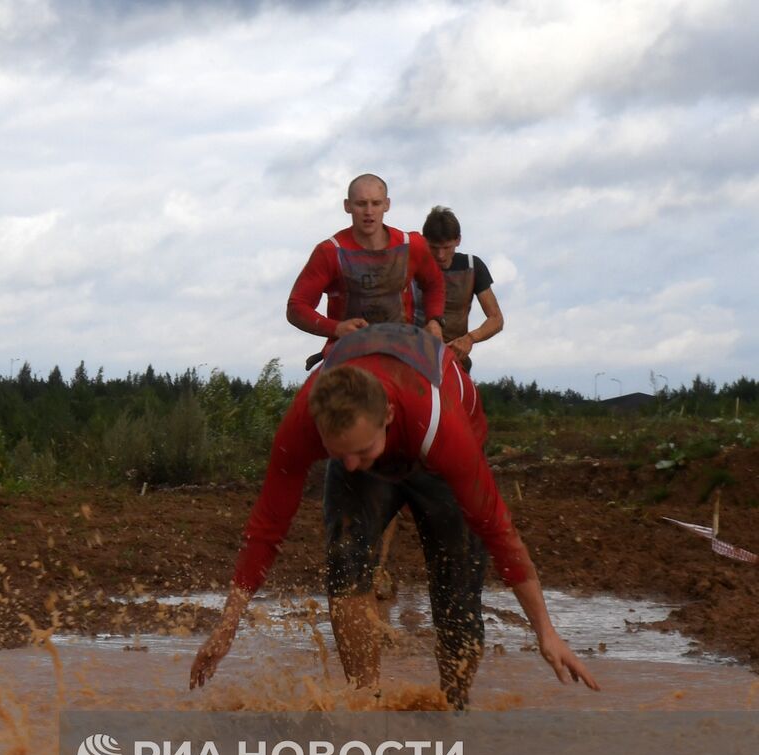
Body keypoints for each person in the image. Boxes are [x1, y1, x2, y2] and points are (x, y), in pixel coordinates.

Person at [188, 324, 598, 708]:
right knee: (345, 561)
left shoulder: (442, 428)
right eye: (337, 454)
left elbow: (497, 529)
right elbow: (266, 527)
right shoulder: (305, 426)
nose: (350, 465)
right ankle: (364, 704)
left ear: (385, 415)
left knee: (456, 591)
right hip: (383, 439)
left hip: (433, 456)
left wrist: (546, 631)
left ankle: (452, 708)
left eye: (360, 452)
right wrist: (228, 625)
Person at [286, 174, 446, 371]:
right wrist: (336, 328)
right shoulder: (329, 252)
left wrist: (434, 320)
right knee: (308, 401)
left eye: (376, 203)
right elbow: (296, 307)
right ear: (347, 206)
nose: (369, 212)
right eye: (361, 204)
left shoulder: (412, 245)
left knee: (444, 391)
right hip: (345, 354)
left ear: (387, 205)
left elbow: (434, 283)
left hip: (404, 350)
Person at [413, 206, 504, 372]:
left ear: (458, 240)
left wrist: (469, 339)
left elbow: (496, 319)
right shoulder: (410, 266)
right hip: (414, 355)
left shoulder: (472, 266)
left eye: (446, 247)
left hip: (455, 359)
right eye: (434, 247)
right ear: (424, 241)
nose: (440, 255)